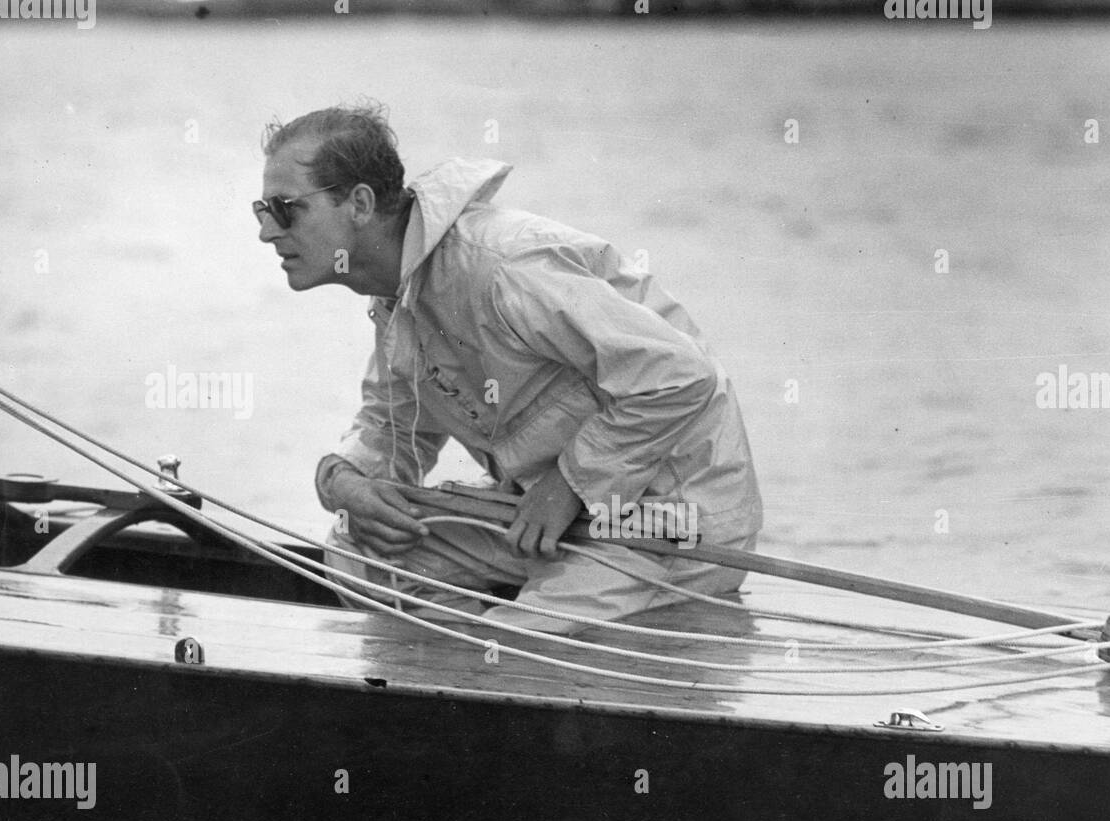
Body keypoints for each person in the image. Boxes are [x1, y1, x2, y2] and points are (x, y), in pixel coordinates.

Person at [255, 103, 761, 635]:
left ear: (358, 203)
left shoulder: (501, 267)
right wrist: (342, 482)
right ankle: (452, 668)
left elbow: (680, 375)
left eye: (286, 209)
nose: (268, 233)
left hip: (667, 519)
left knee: (512, 644)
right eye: (261, 211)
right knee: (360, 545)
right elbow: (390, 429)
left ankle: (490, 656)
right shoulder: (398, 297)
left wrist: (568, 485)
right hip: (542, 520)